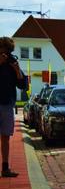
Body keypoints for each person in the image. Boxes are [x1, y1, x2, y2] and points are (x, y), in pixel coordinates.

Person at [0, 37, 28, 177]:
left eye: (6, 51)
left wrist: (17, 70)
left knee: (5, 136)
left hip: (6, 103)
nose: (4, 54)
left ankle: (5, 168)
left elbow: (22, 85)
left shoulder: (12, 62)